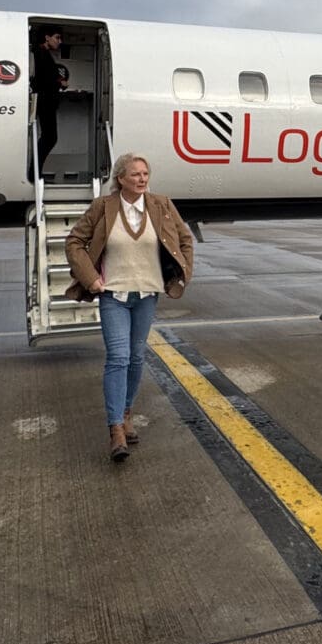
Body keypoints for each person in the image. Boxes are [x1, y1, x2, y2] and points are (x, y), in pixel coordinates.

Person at [64, 153, 196, 463]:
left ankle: (125, 413)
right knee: (118, 357)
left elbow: (185, 240)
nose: (142, 178)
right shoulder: (103, 206)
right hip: (114, 296)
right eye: (135, 174)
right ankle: (116, 430)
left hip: (147, 295)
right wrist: (91, 278)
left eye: (145, 173)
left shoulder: (162, 204)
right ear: (120, 178)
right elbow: (74, 242)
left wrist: (182, 273)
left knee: (136, 358)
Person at [31, 27, 68, 177]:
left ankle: (35, 171)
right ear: (47, 37)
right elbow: (44, 79)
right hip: (45, 102)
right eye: (57, 37)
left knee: (48, 138)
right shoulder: (41, 53)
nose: (60, 41)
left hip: (46, 101)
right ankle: (34, 172)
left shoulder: (43, 53)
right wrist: (60, 83)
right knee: (50, 138)